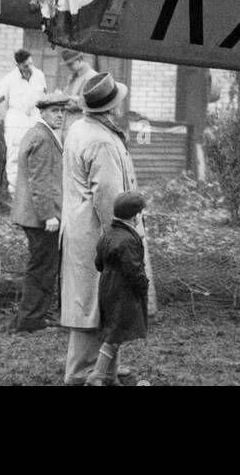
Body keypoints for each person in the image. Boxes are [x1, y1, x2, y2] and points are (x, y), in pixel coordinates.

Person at [60, 72, 153, 386]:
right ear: (110, 108)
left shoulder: (80, 128)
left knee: (95, 300)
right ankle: (84, 373)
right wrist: (123, 236)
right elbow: (110, 199)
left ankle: (105, 369)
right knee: (96, 302)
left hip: (82, 230)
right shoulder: (101, 140)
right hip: (97, 235)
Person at [10, 91, 68, 333]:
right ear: (42, 112)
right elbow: (40, 180)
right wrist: (49, 215)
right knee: (43, 269)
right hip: (41, 218)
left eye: (62, 111)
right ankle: (31, 322)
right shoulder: (43, 137)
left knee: (41, 267)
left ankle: (31, 318)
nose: (60, 115)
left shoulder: (40, 133)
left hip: (36, 216)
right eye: (55, 111)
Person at [87, 190, 149, 386]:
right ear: (136, 216)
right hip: (124, 293)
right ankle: (96, 376)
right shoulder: (129, 239)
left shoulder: (108, 234)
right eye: (142, 213)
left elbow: (98, 263)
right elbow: (134, 270)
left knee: (116, 332)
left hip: (107, 289)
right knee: (115, 336)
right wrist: (143, 286)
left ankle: (111, 377)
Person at [0, 49, 46, 198]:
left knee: (36, 157)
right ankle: (15, 196)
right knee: (15, 157)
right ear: (18, 65)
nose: (29, 68)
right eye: (25, 65)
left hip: (35, 121)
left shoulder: (40, 76)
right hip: (16, 122)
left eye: (31, 63)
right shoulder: (8, 80)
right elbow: (0, 105)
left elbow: (43, 97)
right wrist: (10, 121)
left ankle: (34, 197)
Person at [59, 49, 96, 133]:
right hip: (68, 123)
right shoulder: (73, 77)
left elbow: (92, 103)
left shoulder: (92, 76)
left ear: (79, 60)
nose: (69, 68)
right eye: (67, 65)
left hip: (82, 124)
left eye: (70, 64)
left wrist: (73, 102)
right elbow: (67, 94)